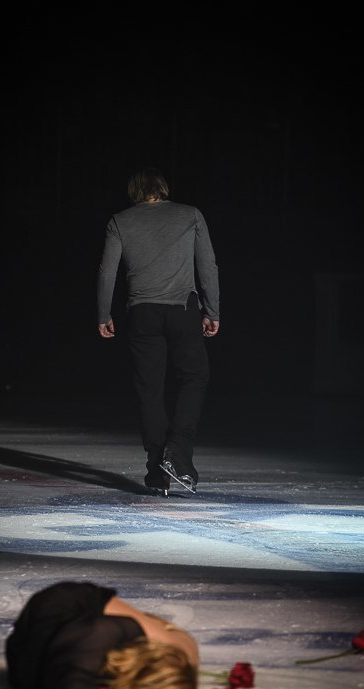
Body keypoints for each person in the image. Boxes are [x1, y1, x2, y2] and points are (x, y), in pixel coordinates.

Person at [97, 166, 220, 496]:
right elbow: (207, 265)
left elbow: (107, 272)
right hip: (183, 311)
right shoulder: (190, 215)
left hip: (142, 314)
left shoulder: (120, 221)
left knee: (149, 389)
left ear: (134, 191)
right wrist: (212, 310)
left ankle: (157, 469)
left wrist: (103, 313)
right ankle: (177, 450)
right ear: (163, 188)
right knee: (194, 377)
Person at [5, 580, 220, 689]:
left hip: (38, 647)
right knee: (182, 649)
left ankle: (170, 677)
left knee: (179, 657)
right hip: (69, 603)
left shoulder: (94, 662)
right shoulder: (95, 638)